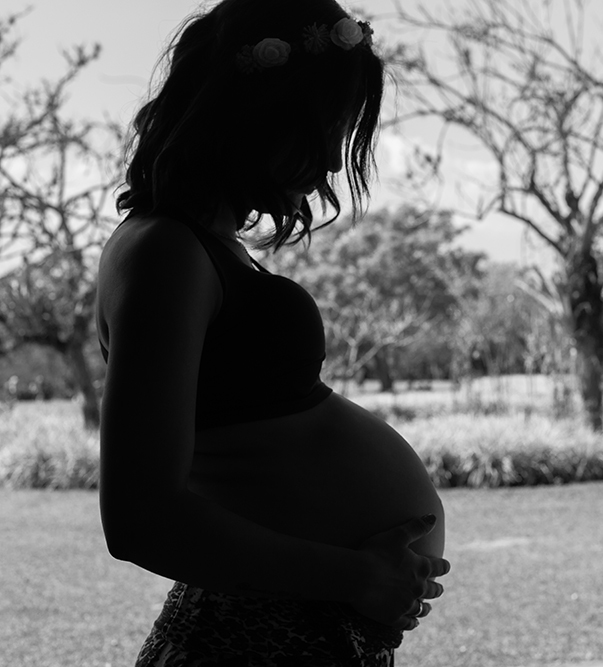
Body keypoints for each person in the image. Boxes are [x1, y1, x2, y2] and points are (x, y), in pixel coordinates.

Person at [95, 1, 451, 665]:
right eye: (323, 134)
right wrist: (354, 575)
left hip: (286, 626)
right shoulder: (166, 252)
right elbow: (140, 515)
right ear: (260, 118)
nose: (331, 169)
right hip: (251, 633)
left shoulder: (199, 245)